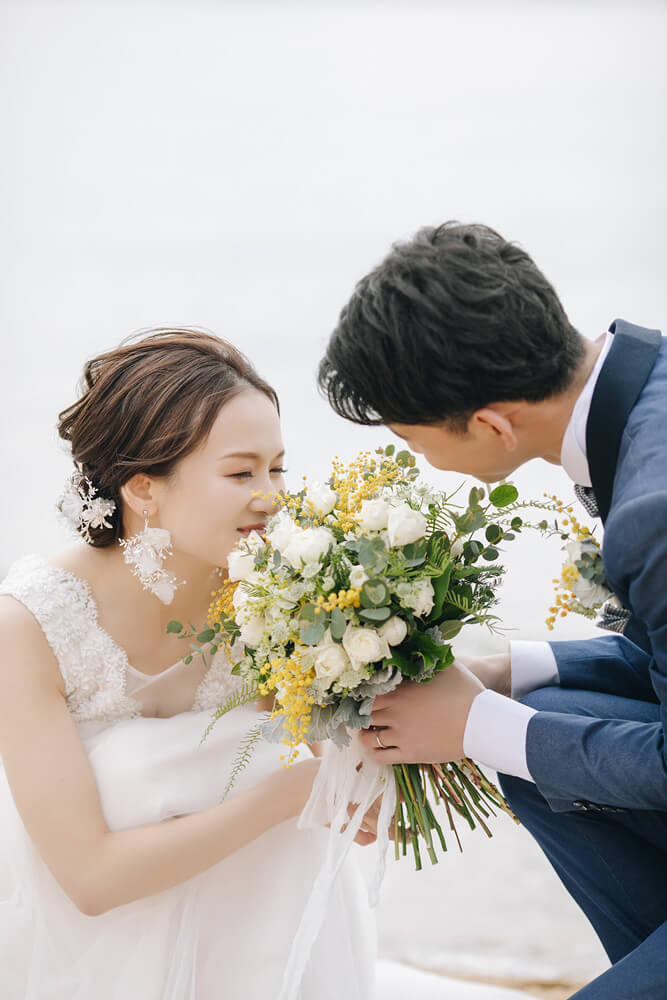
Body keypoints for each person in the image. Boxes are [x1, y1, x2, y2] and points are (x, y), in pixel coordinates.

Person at [0, 328, 527, 1000]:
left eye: (277, 468)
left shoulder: (284, 589)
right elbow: (90, 881)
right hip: (89, 950)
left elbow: (323, 748)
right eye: (240, 472)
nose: (272, 496)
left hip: (250, 935)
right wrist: (299, 791)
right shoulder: (29, 625)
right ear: (142, 490)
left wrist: (364, 770)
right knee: (140, 768)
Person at [318, 222, 667, 1000]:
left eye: (412, 442)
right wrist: (502, 672)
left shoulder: (654, 506)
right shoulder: (649, 394)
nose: (418, 461)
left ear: (490, 424)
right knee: (538, 714)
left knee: (512, 733)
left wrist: (473, 726)